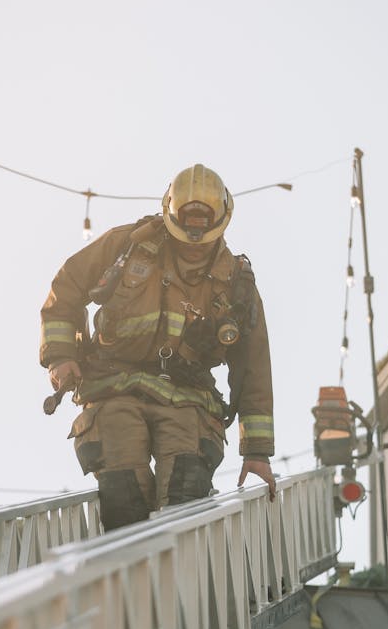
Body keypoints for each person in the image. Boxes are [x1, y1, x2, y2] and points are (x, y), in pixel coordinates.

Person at [40, 164, 275, 531]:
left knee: (185, 493)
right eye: (186, 236)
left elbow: (254, 366)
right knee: (123, 490)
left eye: (204, 237)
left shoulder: (236, 285)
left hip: (188, 399)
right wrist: (60, 356)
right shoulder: (126, 246)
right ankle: (130, 579)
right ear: (170, 216)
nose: (194, 247)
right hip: (114, 387)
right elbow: (66, 288)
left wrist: (257, 452)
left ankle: (178, 580)